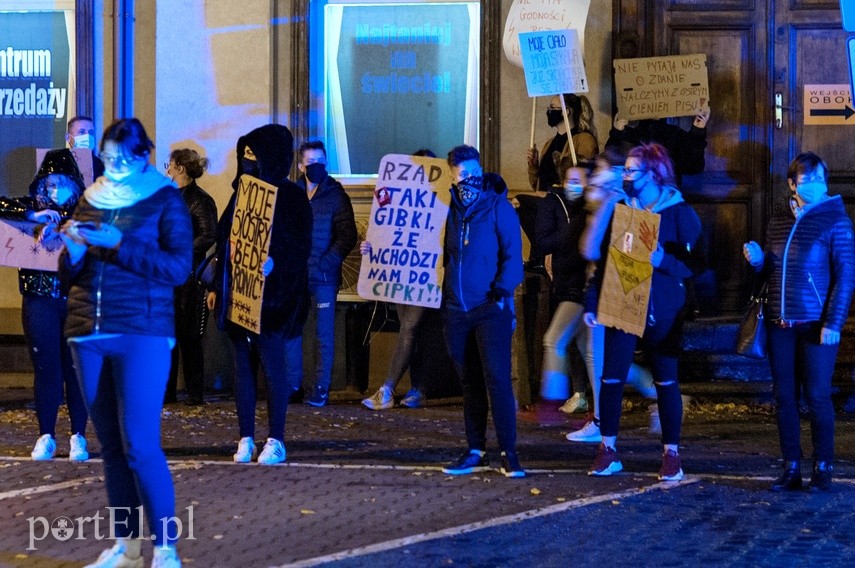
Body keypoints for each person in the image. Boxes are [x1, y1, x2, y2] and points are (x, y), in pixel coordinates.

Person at [59, 118, 190, 568]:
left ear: (141, 156)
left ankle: (167, 547)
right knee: (110, 446)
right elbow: (66, 272)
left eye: (119, 159)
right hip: (88, 332)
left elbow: (178, 269)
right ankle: (126, 546)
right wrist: (72, 253)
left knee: (141, 443)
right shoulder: (91, 198)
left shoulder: (164, 198)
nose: (110, 167)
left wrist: (119, 244)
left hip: (142, 331)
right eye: (106, 159)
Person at [584, 143, 703, 481]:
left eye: (633, 170)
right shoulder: (624, 210)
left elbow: (698, 264)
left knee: (666, 380)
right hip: (622, 303)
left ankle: (671, 454)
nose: (627, 176)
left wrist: (664, 260)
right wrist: (593, 303)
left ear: (653, 173)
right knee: (611, 377)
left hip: (663, 311)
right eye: (627, 170)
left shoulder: (679, 213)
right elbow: (604, 262)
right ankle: (607, 449)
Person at [742, 152, 855, 492]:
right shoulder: (778, 221)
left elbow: (846, 277)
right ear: (791, 185)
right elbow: (773, 269)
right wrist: (760, 261)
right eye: (807, 181)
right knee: (784, 396)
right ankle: (791, 466)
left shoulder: (836, 220)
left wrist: (833, 322)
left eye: (820, 180)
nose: (815, 187)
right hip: (781, 322)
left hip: (816, 323)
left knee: (818, 395)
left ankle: (823, 467)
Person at [208, 124, 312, 464]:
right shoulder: (241, 193)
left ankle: (276, 438)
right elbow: (223, 236)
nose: (247, 162)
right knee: (243, 368)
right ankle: (246, 437)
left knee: (272, 367)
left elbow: (300, 247)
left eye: (254, 156)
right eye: (244, 156)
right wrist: (216, 284)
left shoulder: (293, 196)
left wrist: (275, 263)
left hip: (274, 298)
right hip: (241, 293)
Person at [439, 145, 525, 478]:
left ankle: (509, 453)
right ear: (452, 175)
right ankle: (475, 448)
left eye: (475, 173)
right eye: (463, 175)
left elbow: (512, 255)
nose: (470, 180)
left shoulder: (499, 208)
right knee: (470, 383)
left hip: (490, 308)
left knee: (498, 380)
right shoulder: (446, 210)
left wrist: (503, 291)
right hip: (455, 311)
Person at [0, 149, 89, 461]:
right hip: (39, 298)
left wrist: (68, 224)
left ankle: (78, 434)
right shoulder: (33, 207)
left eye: (60, 183)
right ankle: (46, 434)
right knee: (46, 367)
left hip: (75, 298)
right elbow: (3, 205)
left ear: (73, 184)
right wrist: (31, 216)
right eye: (48, 184)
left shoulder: (86, 210)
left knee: (75, 367)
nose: (54, 191)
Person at [361, 148, 438, 411]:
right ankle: (418, 389)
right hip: (402, 274)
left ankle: (388, 388)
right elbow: (384, 228)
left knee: (410, 328)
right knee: (410, 330)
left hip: (423, 275)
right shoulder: (396, 200)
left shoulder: (440, 202)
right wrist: (371, 249)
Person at [290, 140, 357, 407]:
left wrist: (326, 263)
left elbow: (347, 235)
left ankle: (320, 387)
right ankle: (293, 385)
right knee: (292, 333)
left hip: (323, 277)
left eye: (320, 161)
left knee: (323, 334)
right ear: (301, 165)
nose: (316, 166)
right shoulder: (292, 193)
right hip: (296, 276)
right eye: (311, 162)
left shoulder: (336, 194)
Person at [535, 157, 593, 416]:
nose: (574, 186)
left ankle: (552, 403)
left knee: (556, 340)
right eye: (570, 181)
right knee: (582, 348)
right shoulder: (555, 205)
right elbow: (543, 242)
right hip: (566, 283)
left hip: (582, 288)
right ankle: (650, 389)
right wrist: (571, 232)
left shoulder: (592, 210)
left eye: (579, 181)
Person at [164, 149, 218, 406]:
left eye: (170, 165)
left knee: (190, 337)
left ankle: (195, 392)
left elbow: (208, 235)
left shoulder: (200, 200)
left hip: (190, 276)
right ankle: (168, 392)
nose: (167, 170)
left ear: (180, 169)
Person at [605, 108, 710, 186]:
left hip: (664, 202)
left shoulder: (675, 135)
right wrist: (618, 132)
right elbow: (611, 163)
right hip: (635, 202)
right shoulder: (631, 134)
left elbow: (694, 166)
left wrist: (697, 131)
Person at [526, 93, 599, 193]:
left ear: (566, 112)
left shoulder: (584, 140)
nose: (549, 111)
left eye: (553, 107)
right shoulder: (549, 144)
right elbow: (538, 185)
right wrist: (533, 166)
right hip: (546, 203)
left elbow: (585, 177)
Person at [66, 115, 105, 180]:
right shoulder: (59, 163)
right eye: (82, 132)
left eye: (91, 132)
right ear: (68, 138)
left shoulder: (101, 165)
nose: (87, 136)